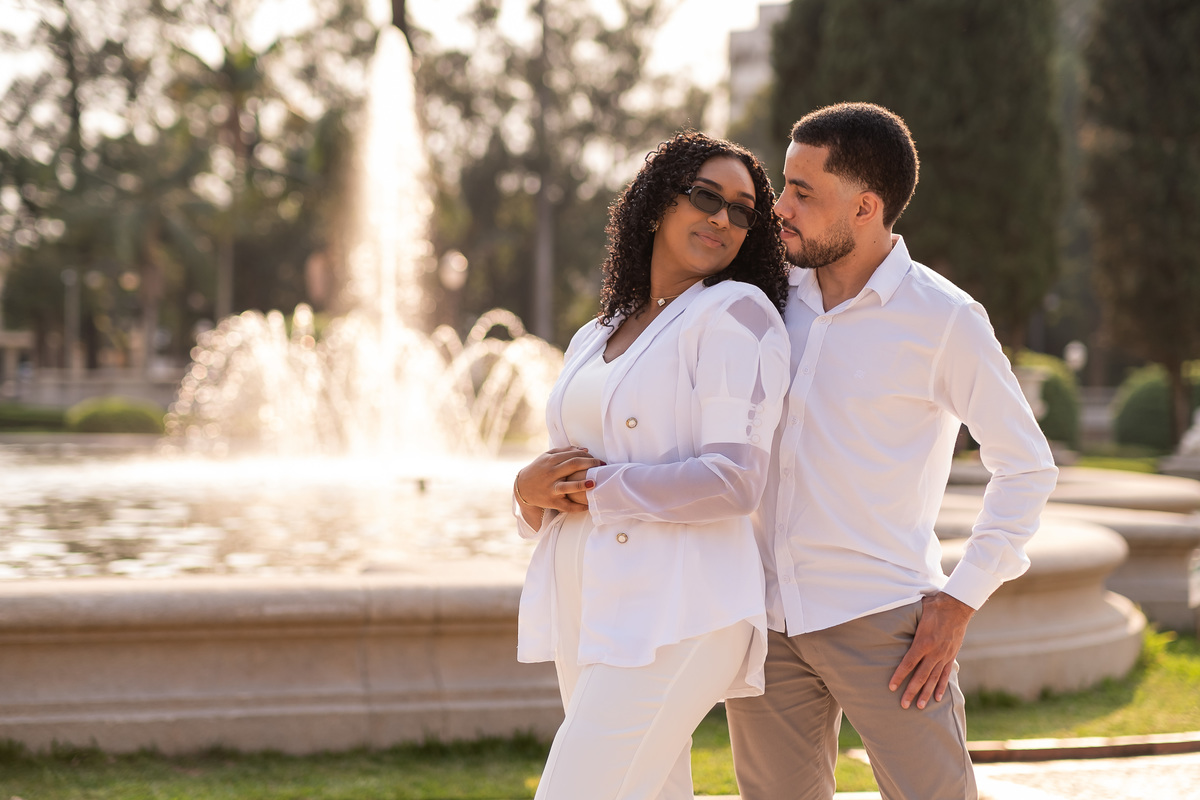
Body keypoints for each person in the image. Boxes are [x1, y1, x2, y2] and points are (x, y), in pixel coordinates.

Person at [725, 102, 1059, 800]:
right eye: (784, 185)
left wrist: (961, 601)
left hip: (888, 629)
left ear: (866, 207)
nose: (779, 207)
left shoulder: (944, 319)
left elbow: (1026, 466)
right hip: (767, 621)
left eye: (802, 193)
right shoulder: (764, 298)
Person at [511, 131, 791, 800]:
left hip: (682, 606)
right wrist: (526, 490)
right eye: (706, 197)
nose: (723, 219)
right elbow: (561, 461)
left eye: (743, 210)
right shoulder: (599, 332)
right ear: (657, 203)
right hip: (594, 600)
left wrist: (599, 489)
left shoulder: (735, 315)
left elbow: (735, 479)